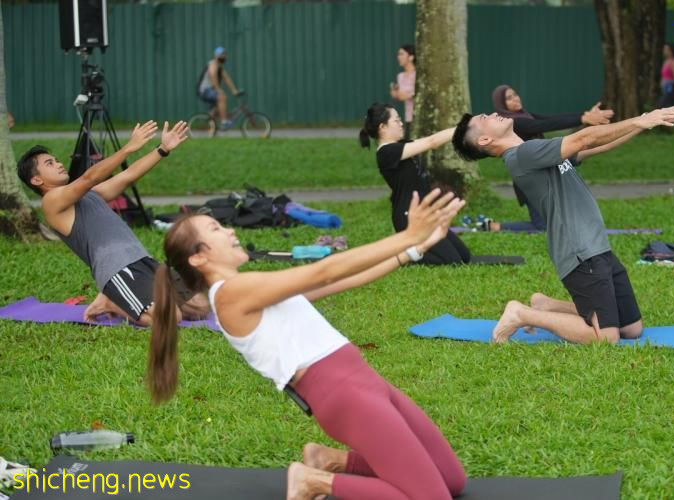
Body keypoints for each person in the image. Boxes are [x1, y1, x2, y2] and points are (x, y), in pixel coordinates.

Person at [148, 189, 467, 500]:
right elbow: (325, 271)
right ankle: (314, 481)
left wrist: (414, 249)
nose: (231, 230)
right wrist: (407, 235)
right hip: (344, 396)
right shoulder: (231, 294)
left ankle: (331, 460)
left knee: (452, 479)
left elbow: (344, 280)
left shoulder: (249, 286)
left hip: (364, 382)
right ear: (198, 257)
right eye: (216, 228)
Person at [452, 106, 674, 344]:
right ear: (485, 139)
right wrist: (640, 119)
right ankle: (521, 314)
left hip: (595, 245)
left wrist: (646, 120)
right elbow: (585, 138)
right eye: (485, 118)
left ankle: (546, 305)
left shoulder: (532, 151)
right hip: (578, 251)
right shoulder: (523, 155)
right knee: (607, 337)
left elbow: (594, 145)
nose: (493, 114)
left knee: (632, 328)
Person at [16, 121, 208, 326]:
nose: (59, 163)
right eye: (49, 164)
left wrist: (162, 149)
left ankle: (125, 300)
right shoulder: (51, 203)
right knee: (171, 318)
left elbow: (128, 176)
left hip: (141, 258)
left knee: (199, 306)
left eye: (55, 160)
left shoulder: (90, 195)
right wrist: (128, 148)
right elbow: (88, 177)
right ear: (37, 181)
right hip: (118, 269)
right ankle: (110, 303)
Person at [489, 84, 615, 232]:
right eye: (509, 98)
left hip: (544, 172)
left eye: (515, 94)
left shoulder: (524, 115)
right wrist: (583, 118)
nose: (515, 99)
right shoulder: (513, 123)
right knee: (541, 227)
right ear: (501, 104)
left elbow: (553, 118)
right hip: (529, 180)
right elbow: (545, 125)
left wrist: (585, 115)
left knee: (560, 216)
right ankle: (495, 227)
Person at [360, 102, 470, 265]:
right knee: (452, 261)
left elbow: (431, 140)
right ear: (383, 127)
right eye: (396, 120)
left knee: (464, 256)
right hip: (409, 217)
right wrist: (465, 127)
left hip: (426, 214)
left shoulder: (401, 146)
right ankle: (403, 255)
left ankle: (410, 251)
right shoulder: (386, 152)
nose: (401, 123)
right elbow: (431, 142)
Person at [196, 47, 240, 129]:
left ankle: (211, 124)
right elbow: (213, 75)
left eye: (225, 55)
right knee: (221, 96)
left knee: (217, 107)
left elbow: (227, 78)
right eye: (223, 55)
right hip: (204, 91)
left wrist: (234, 90)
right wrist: (217, 89)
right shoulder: (213, 64)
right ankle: (224, 121)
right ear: (217, 55)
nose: (225, 57)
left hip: (208, 90)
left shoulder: (219, 67)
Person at [389, 44, 416, 138]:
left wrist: (406, 94)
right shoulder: (400, 76)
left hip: (419, 117)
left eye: (401, 54)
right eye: (398, 54)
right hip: (408, 118)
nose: (398, 57)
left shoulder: (418, 75)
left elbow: (404, 95)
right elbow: (398, 96)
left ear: (411, 57)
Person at [657, 43, 674, 108]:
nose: (665, 51)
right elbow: (663, 76)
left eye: (666, 49)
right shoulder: (666, 61)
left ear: (671, 51)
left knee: (664, 104)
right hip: (665, 88)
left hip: (670, 88)